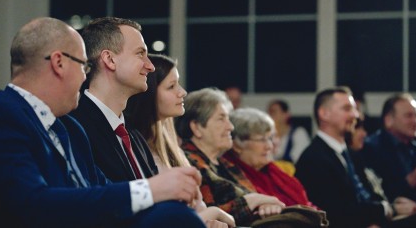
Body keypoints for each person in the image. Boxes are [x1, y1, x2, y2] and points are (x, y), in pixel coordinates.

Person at [0, 17, 205, 228]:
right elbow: (31, 204)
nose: (86, 76)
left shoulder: (70, 128)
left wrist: (168, 192)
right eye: (84, 66)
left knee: (175, 215)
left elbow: (101, 190)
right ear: (59, 63)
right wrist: (150, 189)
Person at [68, 17, 206, 224]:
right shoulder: (75, 127)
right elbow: (93, 208)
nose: (150, 66)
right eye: (140, 54)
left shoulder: (133, 135)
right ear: (110, 59)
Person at [125, 54, 235, 227]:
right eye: (171, 86)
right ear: (149, 94)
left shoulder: (169, 147)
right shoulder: (135, 151)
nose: (182, 92)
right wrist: (214, 213)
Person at [177, 87, 286, 227]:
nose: (230, 127)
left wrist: (263, 206)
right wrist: (254, 200)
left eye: (228, 118)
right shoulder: (186, 163)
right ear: (197, 128)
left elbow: (256, 202)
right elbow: (207, 218)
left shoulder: (226, 164)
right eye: (221, 119)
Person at [295, 86, 396, 228]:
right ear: (324, 114)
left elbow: (369, 194)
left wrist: (384, 211)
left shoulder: (352, 155)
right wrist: (383, 209)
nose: (356, 115)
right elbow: (335, 213)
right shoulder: (313, 159)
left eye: (355, 109)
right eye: (347, 108)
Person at [224, 107, 316, 208]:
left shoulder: (275, 171)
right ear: (237, 145)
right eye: (262, 140)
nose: (269, 146)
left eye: (270, 138)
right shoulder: (229, 177)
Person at [362, 93, 416, 211]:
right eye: (409, 116)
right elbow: (373, 194)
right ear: (388, 120)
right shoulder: (371, 148)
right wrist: (409, 182)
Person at [267, 99, 311, 164]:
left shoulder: (298, 133)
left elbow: (296, 160)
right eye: (269, 113)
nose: (270, 116)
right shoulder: (267, 137)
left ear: (286, 115)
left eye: (273, 112)